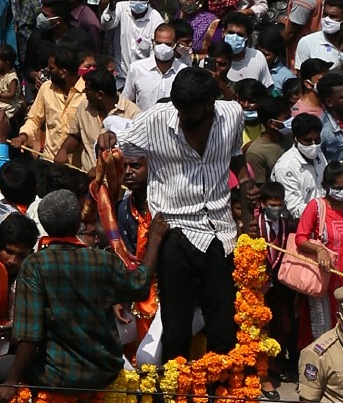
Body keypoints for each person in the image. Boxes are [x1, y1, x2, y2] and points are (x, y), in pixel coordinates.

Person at [102, 68, 244, 355]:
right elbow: (118, 139)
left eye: (189, 111)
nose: (182, 117)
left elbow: (236, 157)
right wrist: (105, 138)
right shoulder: (155, 120)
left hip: (220, 232)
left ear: (208, 105)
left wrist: (248, 205)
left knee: (224, 325)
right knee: (175, 326)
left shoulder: (232, 115)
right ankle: (174, 395)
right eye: (178, 109)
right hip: (173, 231)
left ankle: (222, 396)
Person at [4, 187, 164, 393]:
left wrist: (11, 381)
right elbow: (141, 287)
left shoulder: (35, 264)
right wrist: (156, 241)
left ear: (44, 226)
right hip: (105, 372)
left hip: (55, 375)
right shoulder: (104, 260)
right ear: (78, 222)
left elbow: (29, 334)